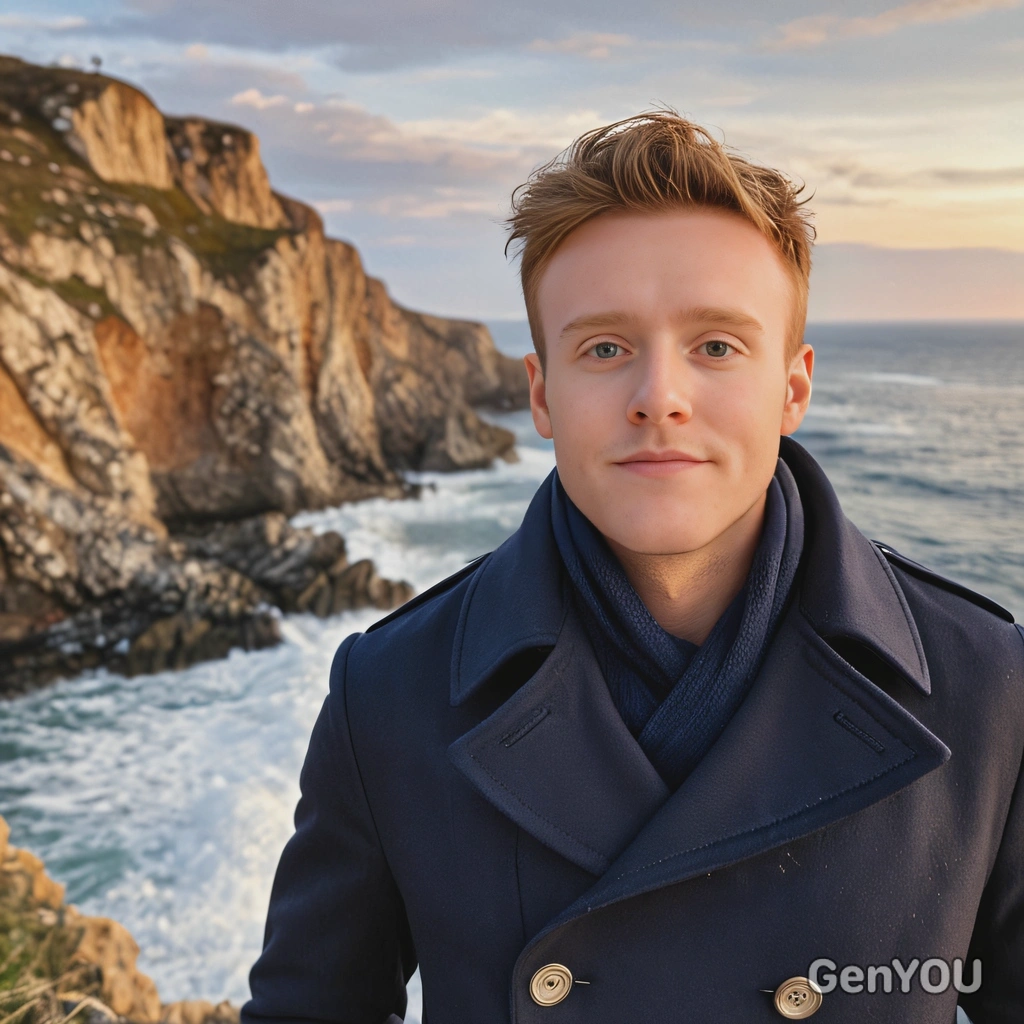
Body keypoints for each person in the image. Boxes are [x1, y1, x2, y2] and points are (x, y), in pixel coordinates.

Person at [240, 111, 1024, 1023]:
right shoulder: (391, 693)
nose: (659, 398)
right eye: (605, 348)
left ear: (794, 387)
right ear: (540, 392)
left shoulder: (987, 687)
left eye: (717, 346)